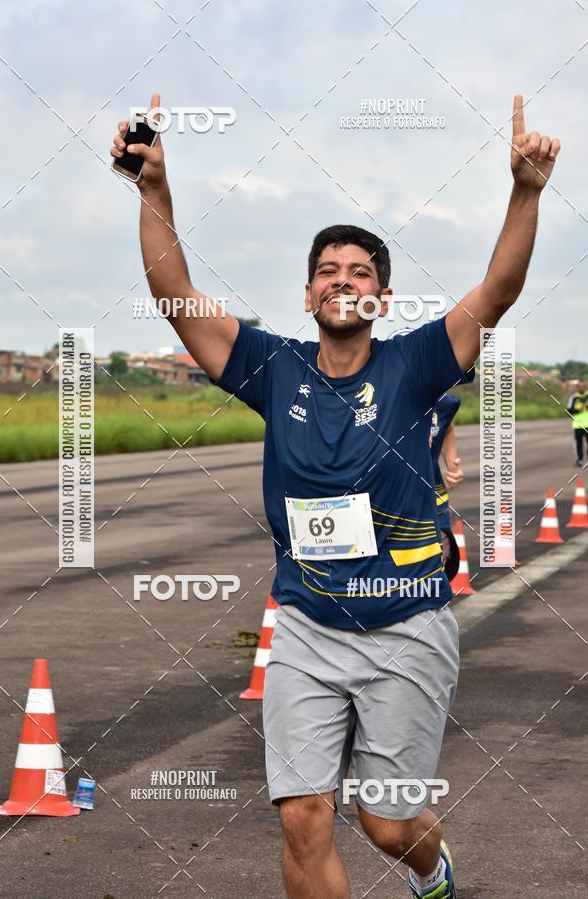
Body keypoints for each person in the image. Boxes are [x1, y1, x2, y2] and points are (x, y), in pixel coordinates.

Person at [111, 93, 560, 899]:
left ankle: (433, 869)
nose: (343, 280)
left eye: (361, 273)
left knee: (389, 826)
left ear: (381, 300)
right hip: (308, 629)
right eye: (329, 270)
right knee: (304, 816)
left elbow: (497, 289)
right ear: (308, 294)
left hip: (405, 626)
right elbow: (173, 291)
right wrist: (155, 192)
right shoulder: (270, 365)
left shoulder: (416, 364)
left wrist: (525, 192)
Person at [429, 396, 464, 581]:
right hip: (386, 506)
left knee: (436, 573)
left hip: (434, 502)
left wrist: (452, 465)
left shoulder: (443, 402)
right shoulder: (376, 396)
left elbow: (446, 429)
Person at [566, 379, 588, 466]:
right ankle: (579, 460)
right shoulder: (574, 398)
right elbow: (568, 411)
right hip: (578, 425)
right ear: (577, 388)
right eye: (580, 386)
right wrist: (579, 410)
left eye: (583, 386)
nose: (582, 387)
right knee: (578, 444)